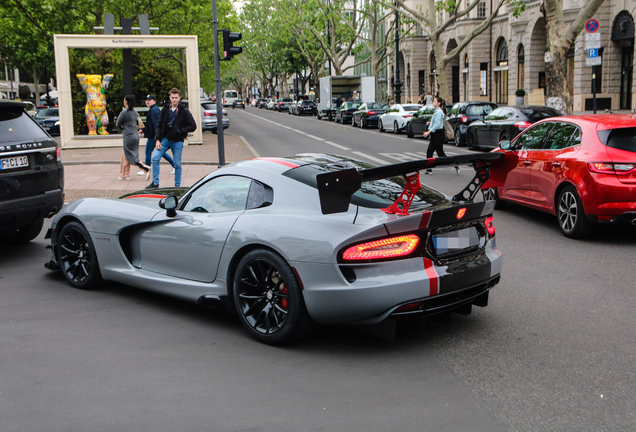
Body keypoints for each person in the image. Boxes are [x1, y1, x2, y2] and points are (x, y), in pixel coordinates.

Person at [147, 88, 197, 189]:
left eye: (176, 98)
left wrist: (180, 130)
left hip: (177, 140)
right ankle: (155, 183)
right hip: (165, 138)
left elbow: (193, 126)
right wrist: (157, 139)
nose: (174, 100)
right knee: (155, 157)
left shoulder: (184, 111)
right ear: (170, 98)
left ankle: (177, 186)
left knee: (177, 163)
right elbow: (159, 124)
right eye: (172, 97)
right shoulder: (165, 109)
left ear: (179, 98)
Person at [116, 94, 151, 180]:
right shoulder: (134, 112)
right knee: (126, 155)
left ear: (126, 102)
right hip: (135, 135)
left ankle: (146, 168)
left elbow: (117, 124)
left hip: (128, 136)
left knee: (130, 156)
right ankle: (124, 174)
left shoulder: (124, 112)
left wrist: (122, 127)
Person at [140, 95, 174, 176]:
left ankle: (147, 168)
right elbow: (150, 124)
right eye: (146, 100)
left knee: (148, 151)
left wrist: (157, 136)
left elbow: (157, 124)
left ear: (154, 101)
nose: (147, 101)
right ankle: (174, 165)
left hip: (153, 136)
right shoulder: (153, 109)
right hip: (154, 135)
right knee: (161, 152)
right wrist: (143, 130)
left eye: (150, 100)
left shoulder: (154, 110)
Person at [423, 95, 458, 174]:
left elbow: (438, 125)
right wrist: (430, 123)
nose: (433, 102)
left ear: (438, 103)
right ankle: (429, 169)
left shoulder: (439, 112)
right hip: (436, 134)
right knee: (432, 152)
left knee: (438, 153)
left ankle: (454, 163)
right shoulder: (437, 111)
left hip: (438, 134)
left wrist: (429, 132)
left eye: (435, 101)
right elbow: (436, 122)